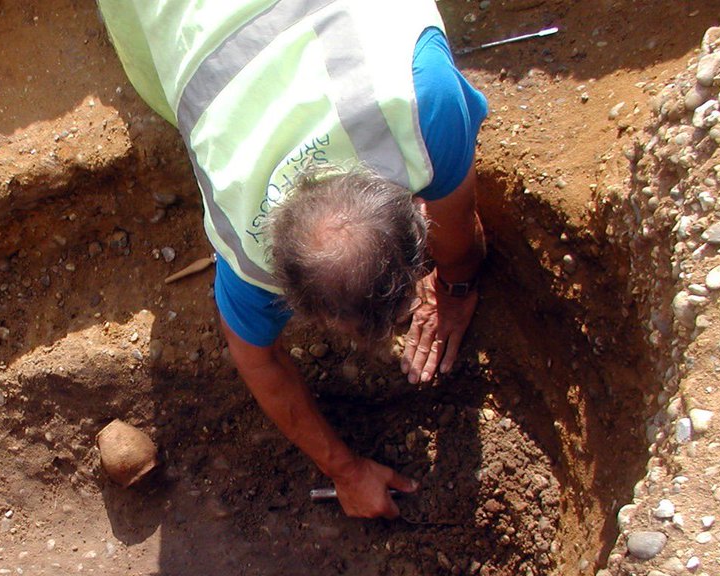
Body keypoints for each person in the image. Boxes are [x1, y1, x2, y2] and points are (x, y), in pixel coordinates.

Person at [98, 0, 488, 518]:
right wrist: (345, 471)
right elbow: (259, 360)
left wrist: (457, 289)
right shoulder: (246, 254)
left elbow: (458, 222)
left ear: (417, 216)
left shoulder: (420, 105)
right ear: (291, 297)